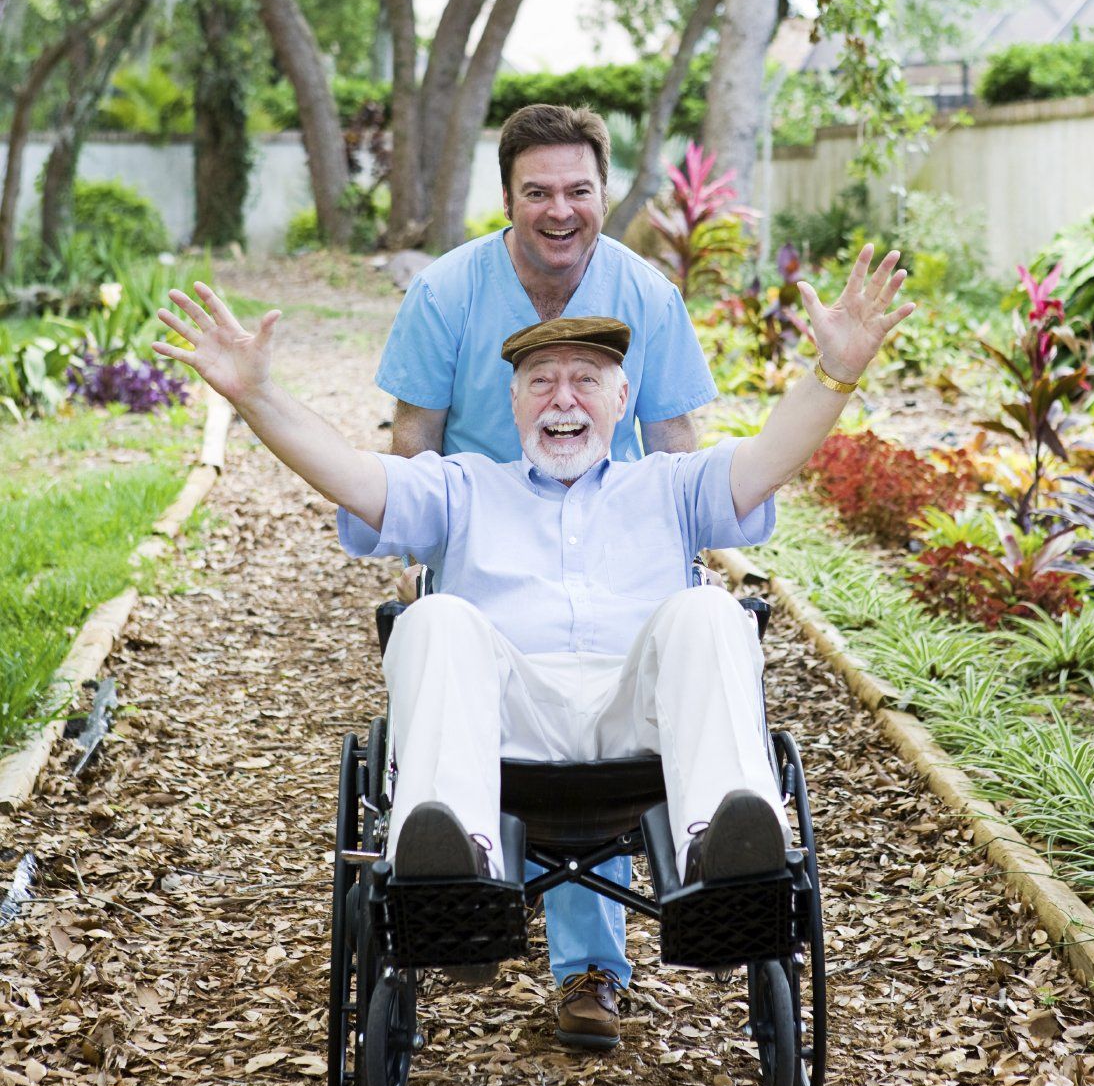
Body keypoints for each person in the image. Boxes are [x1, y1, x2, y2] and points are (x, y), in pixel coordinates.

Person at [154, 245, 914, 1043]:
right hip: (506, 727)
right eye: (543, 381)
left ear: (622, 399)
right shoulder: (462, 488)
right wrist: (257, 395)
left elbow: (765, 461)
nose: (564, 399)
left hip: (639, 722)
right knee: (434, 618)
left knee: (712, 611)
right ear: (513, 401)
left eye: (586, 380)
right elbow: (353, 476)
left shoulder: (670, 486)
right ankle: (454, 867)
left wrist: (835, 372)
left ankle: (722, 859)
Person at [374, 103, 718, 1046]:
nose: (558, 211)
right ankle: (463, 882)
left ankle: (592, 972)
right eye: (538, 192)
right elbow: (413, 447)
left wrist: (681, 586)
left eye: (577, 190)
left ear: (605, 193)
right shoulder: (447, 296)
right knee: (470, 648)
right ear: (508, 200)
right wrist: (430, 561)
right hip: (485, 538)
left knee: (604, 664)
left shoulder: (646, 295)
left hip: (602, 544)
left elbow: (677, 450)